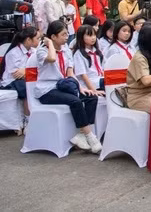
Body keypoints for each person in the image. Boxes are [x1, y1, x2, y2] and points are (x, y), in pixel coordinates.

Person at [35, 20, 101, 153]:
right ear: (53, 37)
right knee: (75, 101)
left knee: (91, 97)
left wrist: (81, 88)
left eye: (67, 34)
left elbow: (70, 73)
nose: (67, 37)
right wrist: (50, 44)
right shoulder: (42, 51)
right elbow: (52, 59)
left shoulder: (66, 50)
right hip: (47, 90)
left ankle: (81, 135)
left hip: (64, 86)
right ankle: (90, 137)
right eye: (63, 35)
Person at [0, 26, 38, 122]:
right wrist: (29, 71)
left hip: (27, 78)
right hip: (11, 81)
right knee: (27, 88)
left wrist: (25, 70)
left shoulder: (34, 52)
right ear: (28, 40)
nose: (39, 41)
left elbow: (39, 68)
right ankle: (27, 118)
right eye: (37, 38)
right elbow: (17, 75)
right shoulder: (13, 53)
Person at [71, 24, 104, 93]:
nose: (93, 38)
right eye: (89, 35)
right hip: (90, 83)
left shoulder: (96, 51)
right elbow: (83, 75)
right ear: (81, 37)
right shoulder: (78, 54)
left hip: (100, 79)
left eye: (94, 35)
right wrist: (94, 91)